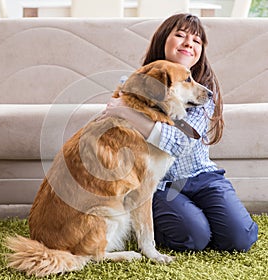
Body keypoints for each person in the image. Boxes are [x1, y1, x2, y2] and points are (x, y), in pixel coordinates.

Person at [99, 13, 258, 252]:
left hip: (201, 176)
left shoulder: (203, 92)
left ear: (201, 51)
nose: (188, 43)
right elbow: (112, 129)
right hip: (160, 185)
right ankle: (185, 221)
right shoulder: (132, 84)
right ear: (163, 40)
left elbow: (183, 141)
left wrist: (128, 113)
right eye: (180, 35)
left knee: (240, 238)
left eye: (196, 40)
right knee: (194, 237)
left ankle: (202, 219)